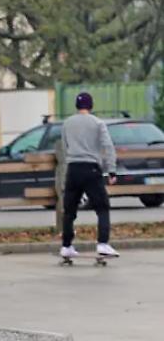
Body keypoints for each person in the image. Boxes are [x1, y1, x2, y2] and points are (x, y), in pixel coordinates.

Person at [60, 92, 119, 259]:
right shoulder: (97, 123)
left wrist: (68, 166)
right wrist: (111, 170)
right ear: (91, 106)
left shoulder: (67, 123)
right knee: (102, 207)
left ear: (77, 106)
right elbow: (107, 147)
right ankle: (103, 244)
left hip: (73, 168)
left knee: (69, 209)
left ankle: (66, 245)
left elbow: (65, 147)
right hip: (91, 168)